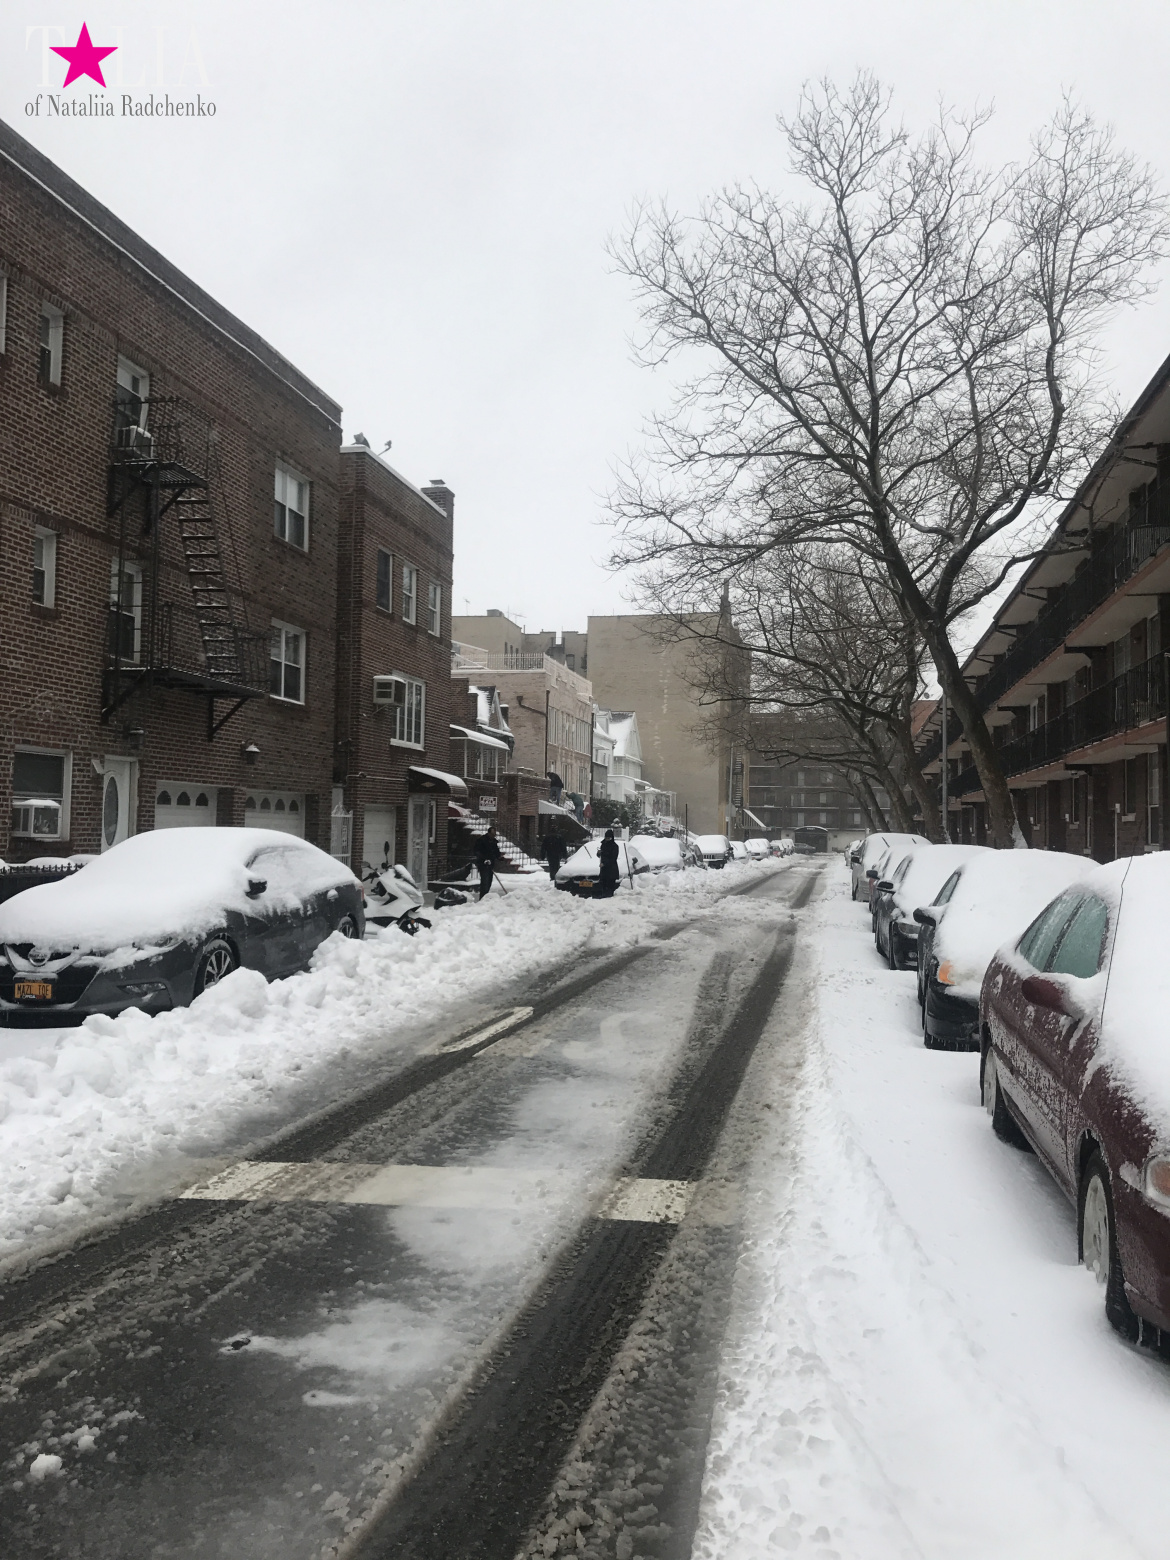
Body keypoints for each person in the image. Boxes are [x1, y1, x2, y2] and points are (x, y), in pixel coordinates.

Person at [472, 826, 504, 900]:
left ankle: (485, 897)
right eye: (492, 834)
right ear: (489, 833)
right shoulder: (482, 841)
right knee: (485, 882)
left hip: (491, 864)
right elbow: (477, 851)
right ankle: (482, 897)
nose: (493, 836)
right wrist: (484, 859)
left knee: (489, 881)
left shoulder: (494, 842)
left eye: (494, 834)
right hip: (483, 864)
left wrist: (499, 857)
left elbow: (496, 851)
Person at [597, 828, 621, 898]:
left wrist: (605, 863)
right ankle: (603, 896)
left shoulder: (615, 846)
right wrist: (599, 853)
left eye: (608, 838)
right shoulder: (603, 844)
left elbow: (613, 858)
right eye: (606, 838)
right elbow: (600, 855)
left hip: (611, 870)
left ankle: (609, 898)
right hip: (603, 870)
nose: (607, 839)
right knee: (603, 885)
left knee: (610, 886)